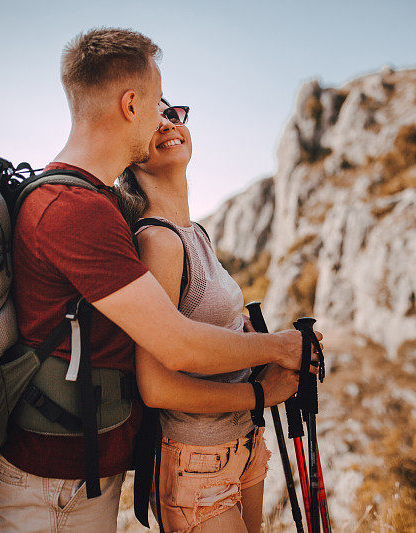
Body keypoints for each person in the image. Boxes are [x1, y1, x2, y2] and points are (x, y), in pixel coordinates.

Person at [0, 28, 319, 533]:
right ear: (130, 104)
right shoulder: (75, 211)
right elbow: (176, 346)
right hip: (54, 485)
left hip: (80, 469)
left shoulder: (95, 204)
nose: (163, 118)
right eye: (157, 102)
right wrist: (279, 352)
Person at [116, 99, 277, 532]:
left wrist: (268, 348)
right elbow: (156, 385)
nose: (168, 123)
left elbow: (212, 327)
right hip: (196, 461)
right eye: (151, 118)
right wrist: (264, 394)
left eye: (172, 113)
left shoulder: (194, 232)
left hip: (243, 442)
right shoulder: (159, 242)